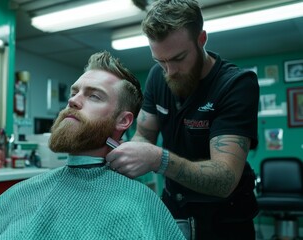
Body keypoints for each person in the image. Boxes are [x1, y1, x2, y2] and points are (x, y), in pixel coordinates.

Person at [0, 51, 185, 240]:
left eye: (94, 96)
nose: (73, 100)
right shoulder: (29, 189)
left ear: (123, 121)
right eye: (75, 92)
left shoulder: (139, 201)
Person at [105, 1, 260, 239]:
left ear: (201, 40)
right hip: (175, 210)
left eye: (178, 58)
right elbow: (145, 135)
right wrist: (126, 155)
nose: (170, 71)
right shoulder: (159, 76)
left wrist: (158, 159)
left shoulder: (236, 85)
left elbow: (225, 178)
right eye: (160, 61)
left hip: (225, 217)